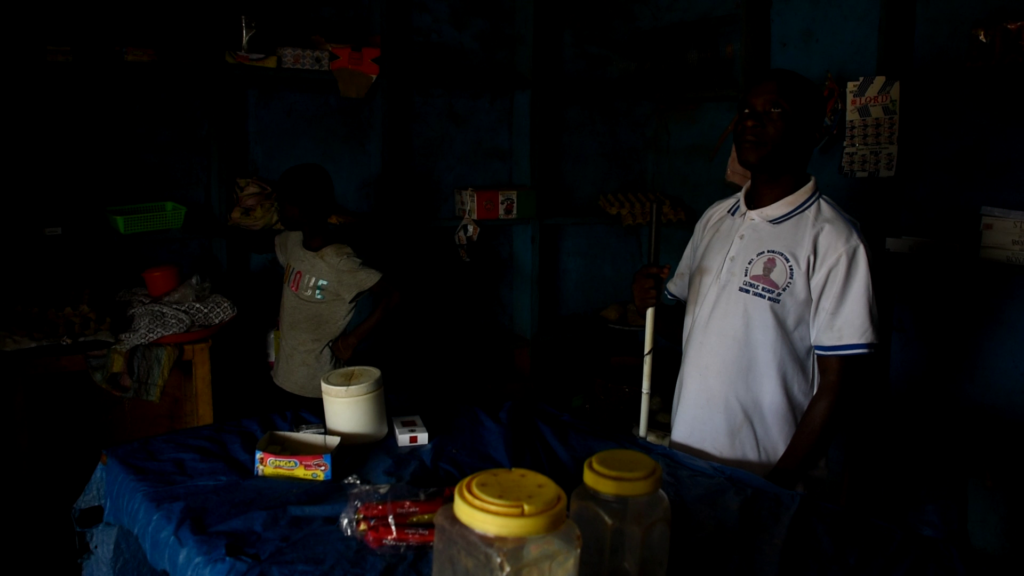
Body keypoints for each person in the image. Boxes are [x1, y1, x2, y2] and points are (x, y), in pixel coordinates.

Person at [632, 69, 876, 489]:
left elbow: (836, 385)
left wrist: (776, 484)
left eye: (773, 110)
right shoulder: (715, 218)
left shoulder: (834, 239)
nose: (750, 120)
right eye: (745, 110)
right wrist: (645, 301)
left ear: (811, 130)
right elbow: (704, 326)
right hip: (688, 461)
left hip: (769, 477)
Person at [271, 164, 399, 402]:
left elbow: (393, 294)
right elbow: (262, 240)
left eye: (283, 202)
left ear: (304, 209)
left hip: (321, 388)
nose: (278, 208)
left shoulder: (339, 262)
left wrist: (352, 340)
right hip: (284, 378)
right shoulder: (292, 241)